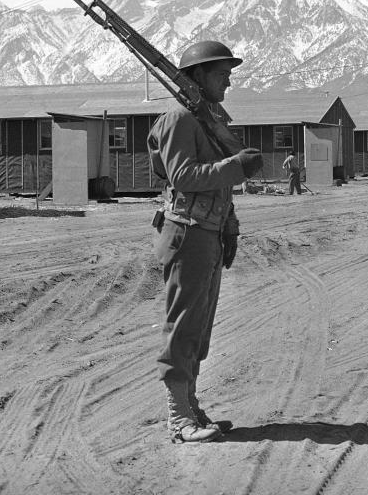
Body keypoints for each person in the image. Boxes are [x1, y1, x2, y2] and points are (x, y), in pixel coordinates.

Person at [147, 40, 263, 444]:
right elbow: (184, 177)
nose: (228, 82)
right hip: (187, 234)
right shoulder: (180, 119)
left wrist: (229, 224)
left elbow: (218, 189)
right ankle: (179, 418)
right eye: (221, 74)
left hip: (208, 233)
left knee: (198, 328)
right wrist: (236, 167)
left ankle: (192, 407)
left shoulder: (208, 118)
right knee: (182, 328)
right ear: (197, 76)